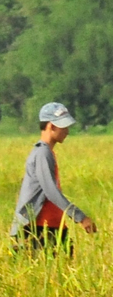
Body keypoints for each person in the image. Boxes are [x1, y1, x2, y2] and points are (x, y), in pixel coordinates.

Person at [13, 102, 98, 252]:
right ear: (51, 126)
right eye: (63, 127)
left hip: (55, 227)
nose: (67, 131)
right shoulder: (42, 153)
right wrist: (80, 218)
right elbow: (51, 191)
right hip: (38, 230)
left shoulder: (47, 153)